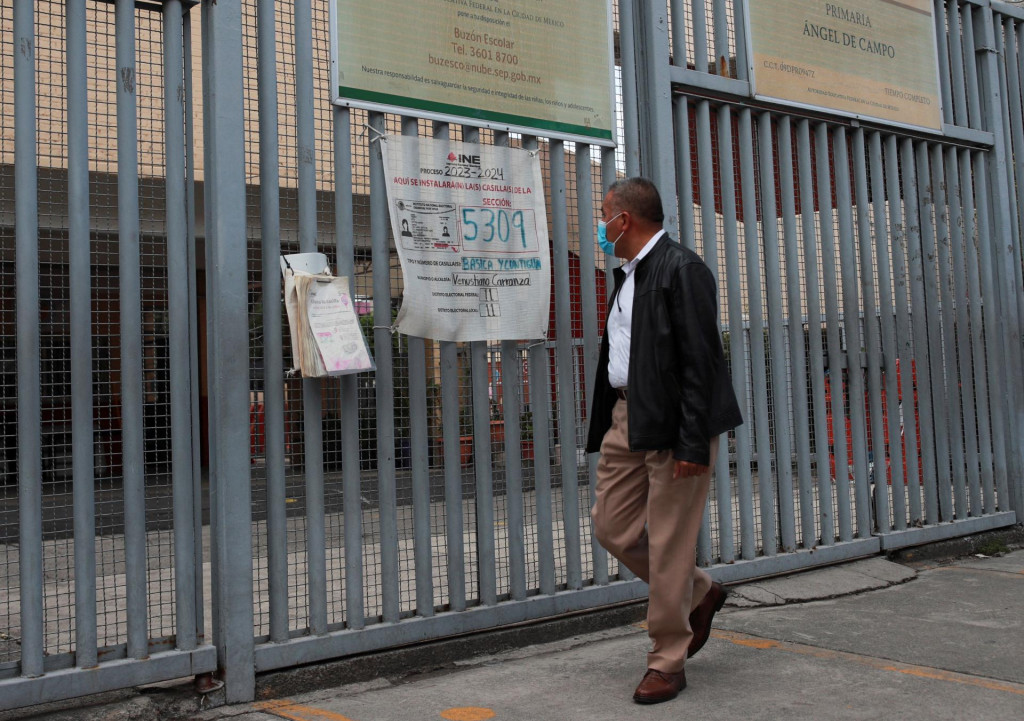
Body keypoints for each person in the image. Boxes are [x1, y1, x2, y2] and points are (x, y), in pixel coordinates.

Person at [586, 177, 743, 704]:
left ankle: (667, 659)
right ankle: (700, 590)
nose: (601, 225)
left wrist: (693, 442)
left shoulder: (683, 269)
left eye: (604, 214)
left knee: (671, 541)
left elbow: (702, 362)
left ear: (624, 220)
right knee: (612, 526)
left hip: (676, 423)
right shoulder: (630, 276)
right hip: (629, 417)